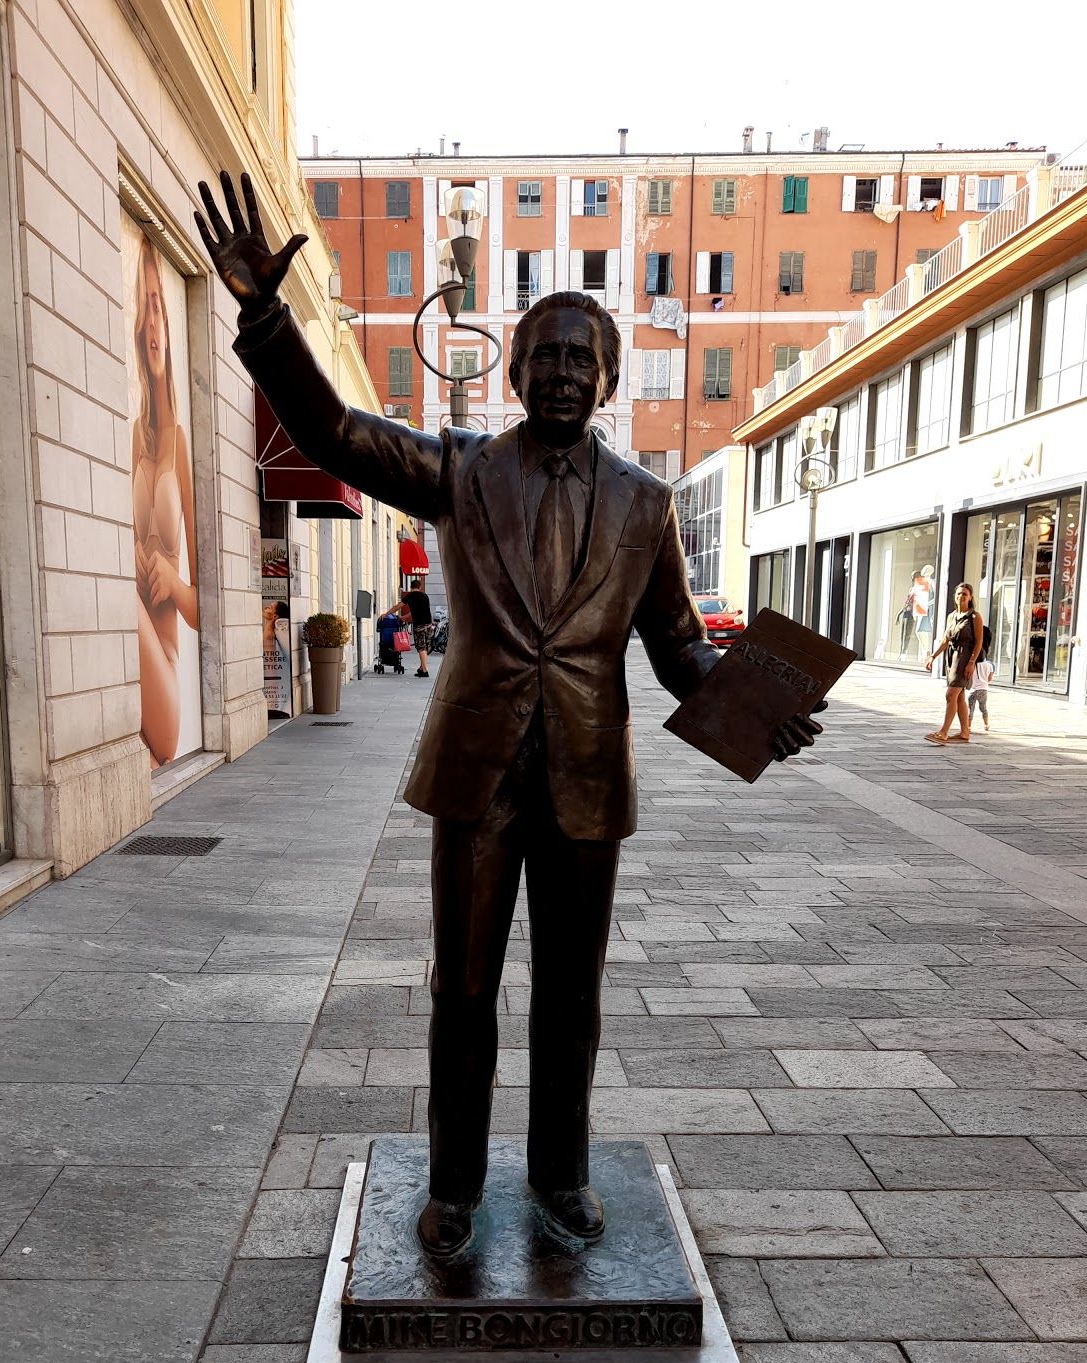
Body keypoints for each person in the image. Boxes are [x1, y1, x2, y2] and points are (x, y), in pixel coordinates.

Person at [195, 172, 826, 1258]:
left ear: (611, 377)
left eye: (584, 358)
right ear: (517, 370)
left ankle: (563, 1173)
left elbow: (677, 643)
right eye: (547, 356)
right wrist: (264, 314)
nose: (564, 373)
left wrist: (758, 701)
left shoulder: (645, 504)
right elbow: (337, 431)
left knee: (572, 996)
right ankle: (453, 1187)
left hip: (586, 772)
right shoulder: (460, 470)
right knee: (467, 988)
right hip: (478, 772)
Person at [131, 235, 200, 767]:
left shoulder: (180, 444)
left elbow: (207, 610)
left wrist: (173, 582)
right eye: (143, 305)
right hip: (131, 664)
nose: (152, 323)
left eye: (158, 305)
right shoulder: (133, 436)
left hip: (169, 667)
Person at [924, 581, 983, 744]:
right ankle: (964, 732)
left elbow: (978, 642)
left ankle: (943, 732)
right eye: (958, 593)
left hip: (964, 658)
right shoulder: (951, 616)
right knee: (959, 696)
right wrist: (933, 656)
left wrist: (971, 662)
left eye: (965, 594)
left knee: (950, 695)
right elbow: (945, 639)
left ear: (970, 597)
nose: (961, 596)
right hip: (951, 657)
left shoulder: (974, 616)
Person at [395, 578, 433, 678]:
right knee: (426, 647)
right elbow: (414, 612)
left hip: (419, 625)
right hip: (428, 624)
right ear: (419, 587)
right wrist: (403, 618)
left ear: (411, 587)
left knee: (421, 647)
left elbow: (398, 607)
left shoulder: (410, 596)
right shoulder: (425, 596)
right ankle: (421, 667)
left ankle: (425, 671)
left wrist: (386, 614)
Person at [968, 650, 994, 732]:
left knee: (970, 709)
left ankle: (968, 727)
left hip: (973, 689)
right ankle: (986, 725)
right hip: (983, 690)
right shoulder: (989, 665)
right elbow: (989, 679)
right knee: (983, 708)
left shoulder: (972, 664)